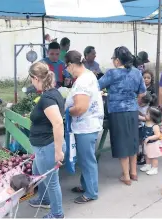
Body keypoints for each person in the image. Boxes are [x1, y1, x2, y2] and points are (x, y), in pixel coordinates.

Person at [99, 46, 146, 186]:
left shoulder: (112, 73)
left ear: (118, 60)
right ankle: (134, 173)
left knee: (121, 143)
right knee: (132, 141)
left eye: (113, 58)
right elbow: (142, 93)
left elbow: (96, 85)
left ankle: (126, 176)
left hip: (117, 112)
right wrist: (133, 103)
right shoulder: (137, 72)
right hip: (132, 111)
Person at [64, 50, 104, 204]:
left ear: (71, 65)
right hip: (88, 124)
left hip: (85, 125)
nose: (67, 71)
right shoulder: (88, 74)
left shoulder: (82, 81)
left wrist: (67, 111)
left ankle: (91, 193)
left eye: (67, 68)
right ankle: (85, 185)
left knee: (87, 160)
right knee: (84, 158)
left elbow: (80, 108)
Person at [27, 62, 65, 219]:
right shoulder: (53, 93)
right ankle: (45, 199)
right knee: (37, 173)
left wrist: (58, 151)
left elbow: (58, 122)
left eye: (31, 79)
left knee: (51, 181)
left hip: (47, 146)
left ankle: (57, 214)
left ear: (35, 78)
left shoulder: (47, 98)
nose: (31, 82)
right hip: (42, 146)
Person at [139, 106, 162, 175]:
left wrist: (149, 138)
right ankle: (148, 165)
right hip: (147, 144)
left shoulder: (155, 126)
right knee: (147, 155)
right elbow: (140, 117)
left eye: (147, 114)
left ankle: (155, 168)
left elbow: (157, 135)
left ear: (153, 117)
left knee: (153, 157)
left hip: (153, 144)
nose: (145, 114)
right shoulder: (147, 121)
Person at [137, 92, 157, 165]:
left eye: (141, 104)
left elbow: (147, 119)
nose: (139, 104)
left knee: (143, 142)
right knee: (139, 142)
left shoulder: (147, 108)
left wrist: (138, 117)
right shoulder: (137, 104)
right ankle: (139, 154)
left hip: (143, 127)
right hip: (138, 126)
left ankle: (143, 157)